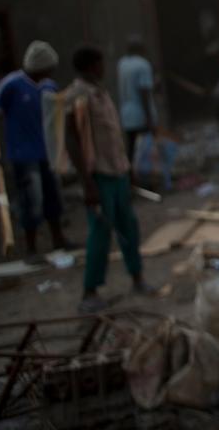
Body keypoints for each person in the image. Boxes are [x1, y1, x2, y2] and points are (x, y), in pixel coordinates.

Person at [64, 45, 154, 314]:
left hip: (117, 173)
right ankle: (89, 292)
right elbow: (72, 140)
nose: (104, 69)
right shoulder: (77, 95)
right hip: (99, 176)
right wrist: (86, 182)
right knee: (101, 234)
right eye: (101, 64)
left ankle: (137, 278)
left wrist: (128, 169)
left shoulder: (100, 92)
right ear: (92, 66)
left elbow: (112, 136)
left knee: (129, 227)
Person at [0, 40, 74, 263]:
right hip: (23, 154)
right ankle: (32, 249)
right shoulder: (11, 85)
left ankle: (58, 239)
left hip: (47, 153)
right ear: (39, 67)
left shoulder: (49, 87)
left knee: (53, 199)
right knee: (31, 201)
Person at [116, 35, 157, 166]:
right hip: (141, 115)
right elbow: (144, 91)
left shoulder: (122, 63)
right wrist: (149, 118)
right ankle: (148, 177)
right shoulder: (143, 65)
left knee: (132, 148)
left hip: (127, 115)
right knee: (147, 149)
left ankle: (132, 177)